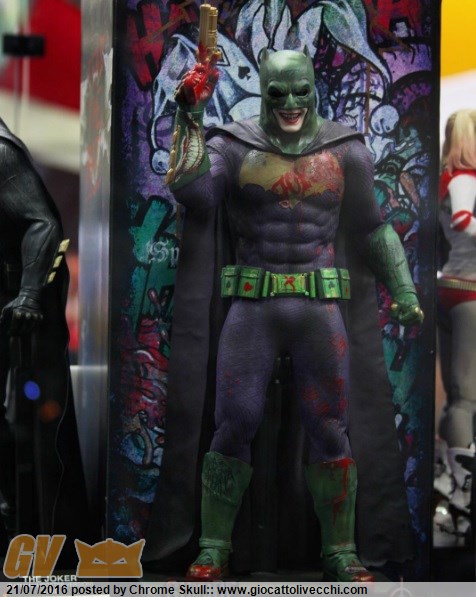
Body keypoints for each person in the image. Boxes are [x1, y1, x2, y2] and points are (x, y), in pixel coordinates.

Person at [147, 48, 423, 582]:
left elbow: (372, 228)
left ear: (314, 88)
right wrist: (189, 114)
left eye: (301, 91)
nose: (291, 103)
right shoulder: (234, 144)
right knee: (234, 422)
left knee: (330, 427)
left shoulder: (346, 150)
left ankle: (340, 551)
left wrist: (405, 290)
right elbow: (193, 192)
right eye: (279, 93)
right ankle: (213, 548)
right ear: (264, 93)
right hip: (254, 307)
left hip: (319, 309)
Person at [0, 117, 91, 560]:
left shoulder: (2, 154)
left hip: (15, 306)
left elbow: (42, 223)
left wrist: (29, 294)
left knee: (28, 423)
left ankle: (23, 521)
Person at [436, 109, 476, 518]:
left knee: (456, 398)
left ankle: (454, 483)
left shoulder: (447, 180)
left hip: (451, 289)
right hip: (468, 292)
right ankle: (463, 493)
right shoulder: (465, 180)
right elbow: (464, 222)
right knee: (465, 399)